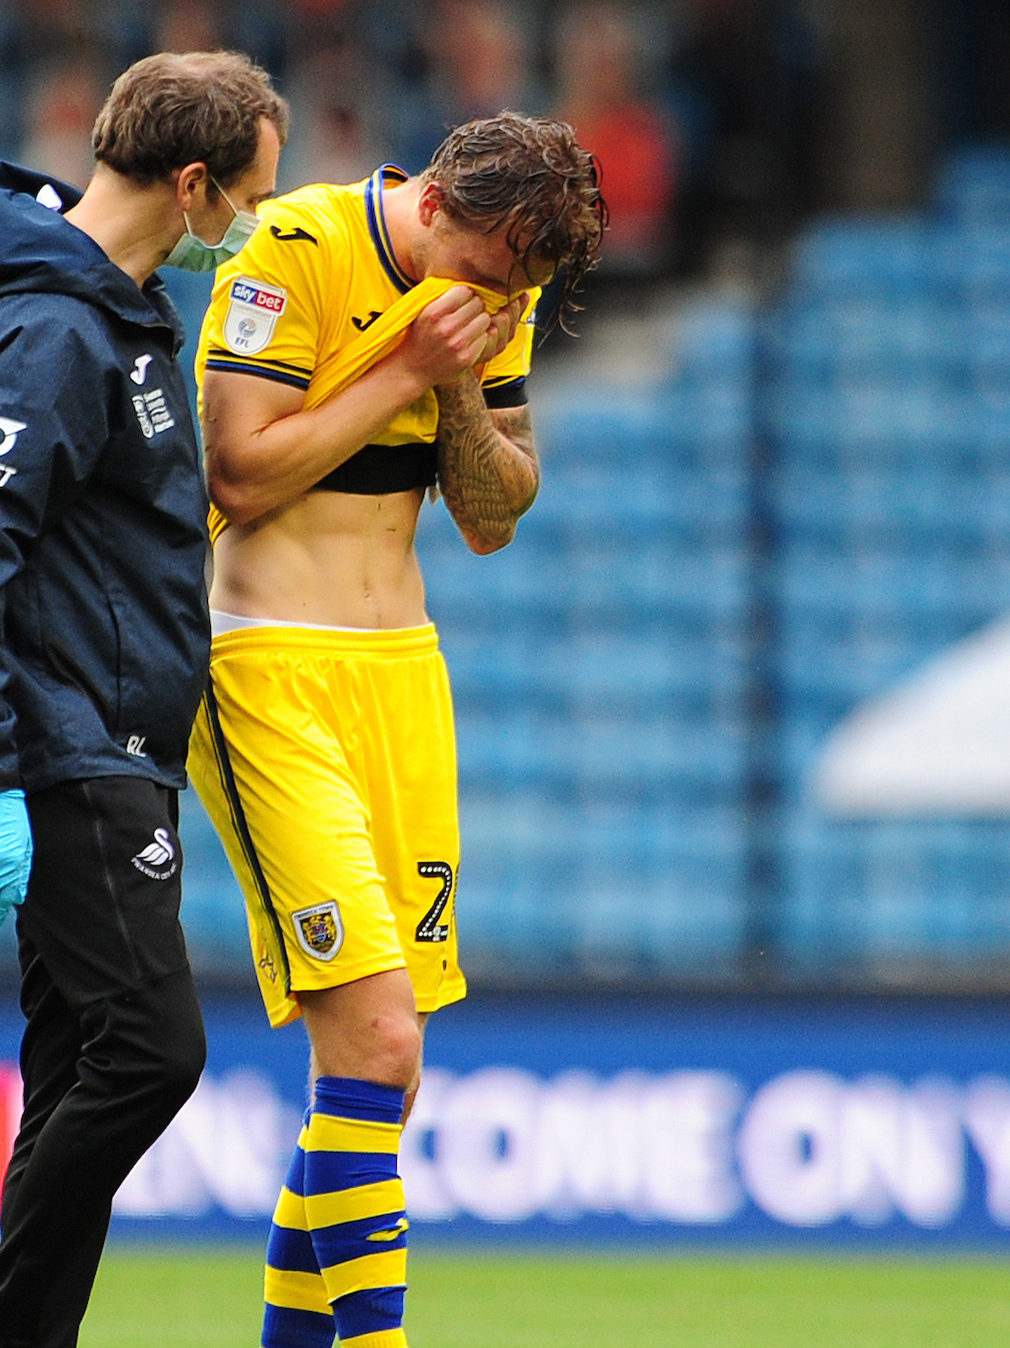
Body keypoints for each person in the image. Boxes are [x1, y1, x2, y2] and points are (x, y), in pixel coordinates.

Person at [188, 111, 604, 1348]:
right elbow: (239, 475)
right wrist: (405, 369)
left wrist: (463, 384)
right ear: (437, 199)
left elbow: (491, 513)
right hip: (269, 666)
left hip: (403, 677)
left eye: (520, 290)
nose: (499, 299)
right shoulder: (293, 246)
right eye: (493, 274)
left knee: (371, 1071)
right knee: (379, 1041)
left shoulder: (491, 293)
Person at [0, 51, 286, 1348]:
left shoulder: (105, 315)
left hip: (109, 745)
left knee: (76, 1070)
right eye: (242, 201)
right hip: (71, 757)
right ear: (191, 184)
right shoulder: (55, 329)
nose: (243, 231)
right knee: (151, 1054)